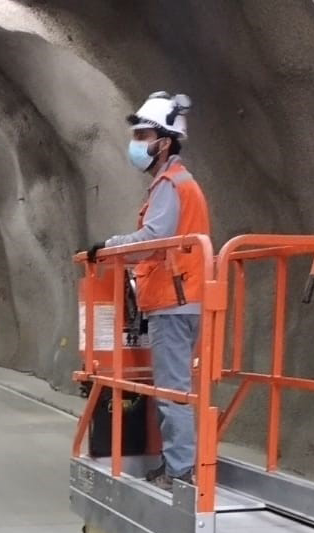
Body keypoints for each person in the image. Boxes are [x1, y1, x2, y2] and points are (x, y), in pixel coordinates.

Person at [88, 92, 212, 487]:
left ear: (165, 142)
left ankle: (181, 472)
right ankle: (179, 465)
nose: (137, 143)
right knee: (175, 388)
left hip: (174, 300)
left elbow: (153, 239)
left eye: (143, 136)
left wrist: (109, 247)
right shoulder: (174, 183)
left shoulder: (171, 184)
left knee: (172, 390)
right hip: (180, 296)